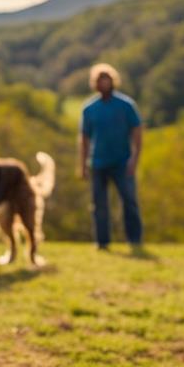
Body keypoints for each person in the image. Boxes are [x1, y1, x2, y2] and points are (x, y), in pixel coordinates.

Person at [80, 63, 143, 250]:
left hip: (122, 161)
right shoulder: (89, 108)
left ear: (113, 81)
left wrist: (134, 158)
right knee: (99, 205)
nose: (103, 83)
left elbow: (137, 132)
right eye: (99, 80)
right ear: (95, 83)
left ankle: (135, 240)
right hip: (98, 162)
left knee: (129, 201)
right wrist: (82, 164)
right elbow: (84, 138)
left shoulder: (126, 105)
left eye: (106, 79)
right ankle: (102, 241)